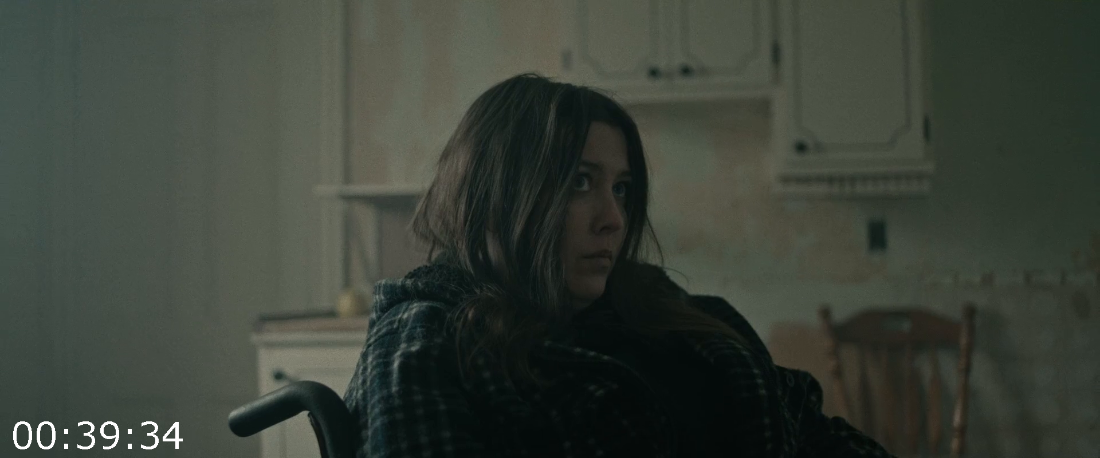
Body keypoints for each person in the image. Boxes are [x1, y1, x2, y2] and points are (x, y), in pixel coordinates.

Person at [342, 73, 894, 458]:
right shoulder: (427, 337)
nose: (613, 219)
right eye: (580, 181)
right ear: (501, 193)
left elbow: (810, 429)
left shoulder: (664, 309)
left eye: (622, 189)